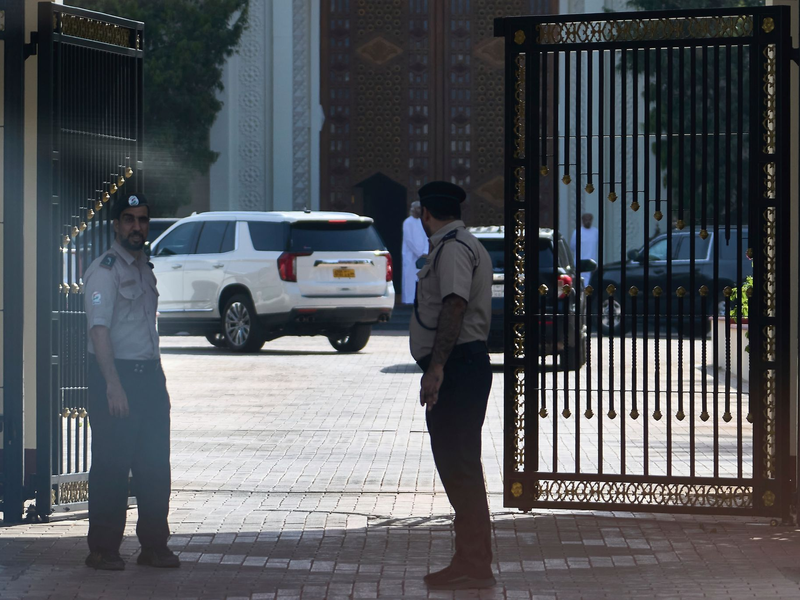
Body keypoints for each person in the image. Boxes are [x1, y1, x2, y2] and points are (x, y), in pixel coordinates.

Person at [83, 193, 179, 571]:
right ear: (115, 226)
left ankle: (155, 547)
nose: (136, 227)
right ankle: (103, 549)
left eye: (142, 220)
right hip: (117, 376)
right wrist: (113, 385)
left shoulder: (144, 269)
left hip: (150, 380)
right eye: (128, 220)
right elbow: (99, 331)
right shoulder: (104, 271)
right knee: (111, 465)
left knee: (155, 466)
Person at [410, 181, 495, 590]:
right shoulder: (464, 243)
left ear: (426, 214)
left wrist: (437, 366)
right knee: (462, 468)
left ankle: (474, 562)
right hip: (463, 366)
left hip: (459, 367)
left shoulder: (452, 249)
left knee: (459, 468)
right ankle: (472, 559)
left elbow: (454, 304)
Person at [401, 200, 429, 304]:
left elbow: (427, 237)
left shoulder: (423, 221)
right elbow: (409, 240)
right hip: (411, 255)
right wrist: (418, 253)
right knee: (409, 279)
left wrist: (425, 251)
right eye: (417, 208)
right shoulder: (408, 222)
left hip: (424, 255)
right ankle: (409, 301)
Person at [570, 212, 599, 287]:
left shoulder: (595, 232)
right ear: (582, 220)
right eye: (586, 220)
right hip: (580, 263)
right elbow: (572, 247)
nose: (588, 221)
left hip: (592, 263)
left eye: (589, 220)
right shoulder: (577, 232)